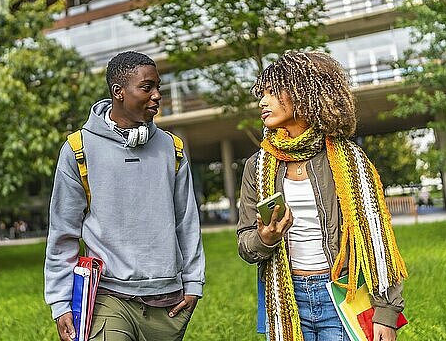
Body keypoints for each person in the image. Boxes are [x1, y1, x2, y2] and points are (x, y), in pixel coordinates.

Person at [237, 51, 407, 341]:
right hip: (285, 300)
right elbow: (245, 243)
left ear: (304, 94)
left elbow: (378, 242)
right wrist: (266, 238)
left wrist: (386, 314)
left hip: (341, 295)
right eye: (261, 94)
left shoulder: (349, 160)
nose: (263, 102)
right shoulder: (258, 166)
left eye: (273, 92)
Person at [44, 51, 205, 341]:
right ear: (118, 92)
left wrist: (193, 283)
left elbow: (187, 222)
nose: (156, 95)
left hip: (168, 302)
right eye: (147, 88)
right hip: (107, 296)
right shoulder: (78, 149)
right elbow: (63, 232)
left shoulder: (173, 148)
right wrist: (60, 301)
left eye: (158, 87)